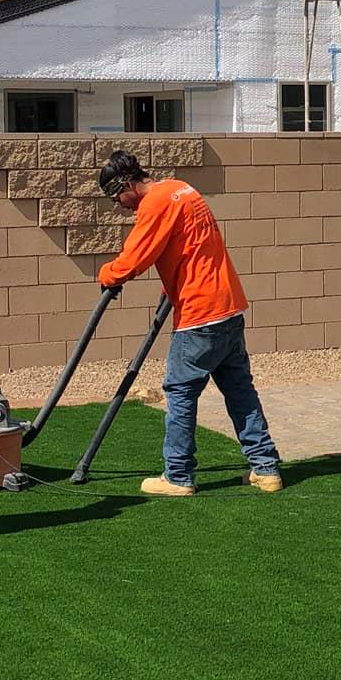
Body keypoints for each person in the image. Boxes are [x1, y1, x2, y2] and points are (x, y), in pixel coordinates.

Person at [96, 149, 282, 497]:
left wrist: (106, 274)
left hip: (199, 314)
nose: (119, 205)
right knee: (240, 390)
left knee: (180, 393)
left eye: (116, 196)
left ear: (127, 183)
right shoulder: (183, 189)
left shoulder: (157, 204)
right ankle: (266, 468)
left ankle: (178, 475)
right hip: (228, 306)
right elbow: (189, 247)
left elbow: (134, 259)